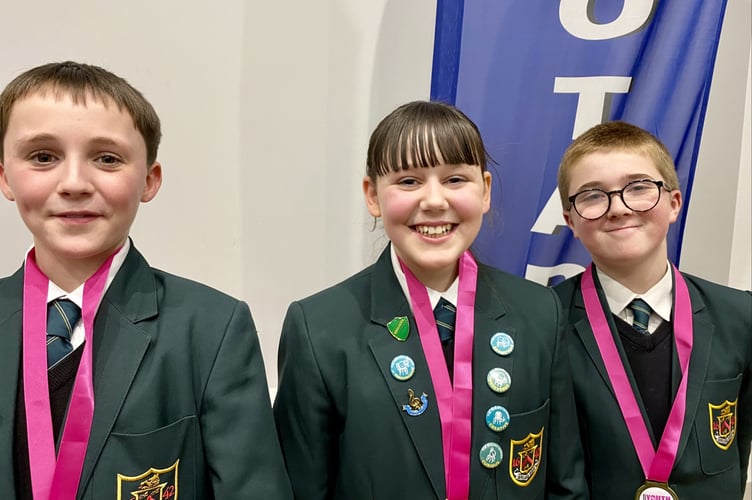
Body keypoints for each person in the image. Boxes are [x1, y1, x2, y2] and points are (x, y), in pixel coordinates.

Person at [0, 61, 292, 499]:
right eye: (43, 157)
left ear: (149, 180)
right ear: (5, 176)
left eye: (107, 159)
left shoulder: (211, 329)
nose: (75, 182)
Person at [273, 100, 587, 499]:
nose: (435, 201)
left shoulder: (539, 312)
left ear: (485, 191)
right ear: (373, 196)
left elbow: (566, 485)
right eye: (408, 181)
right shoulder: (319, 328)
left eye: (455, 179)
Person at [554, 120, 752, 499]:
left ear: (674, 203)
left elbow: (738, 446)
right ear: (571, 221)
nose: (618, 208)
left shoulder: (739, 315)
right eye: (593, 196)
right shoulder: (546, 325)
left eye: (639, 188)